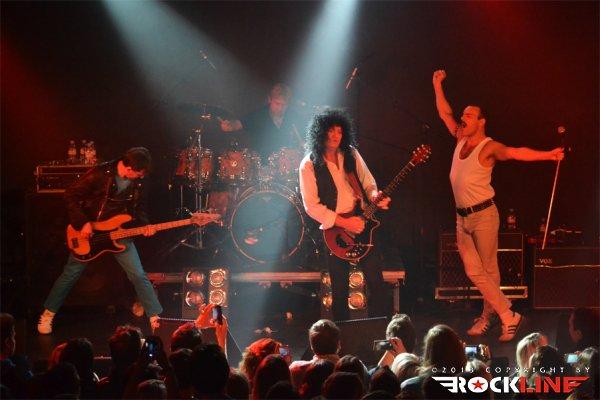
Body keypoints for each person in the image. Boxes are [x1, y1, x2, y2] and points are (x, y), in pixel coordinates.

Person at [432, 70, 564, 341]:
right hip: (462, 218)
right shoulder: (460, 138)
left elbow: (516, 153)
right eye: (463, 114)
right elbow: (445, 113)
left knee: (489, 272)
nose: (463, 118)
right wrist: (437, 85)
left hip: (483, 215)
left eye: (470, 115)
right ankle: (508, 314)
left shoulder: (489, 147)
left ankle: (489, 318)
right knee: (475, 271)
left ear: (482, 121)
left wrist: (548, 155)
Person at [37, 147, 163, 334]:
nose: (141, 177)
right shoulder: (100, 174)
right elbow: (70, 194)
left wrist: (145, 225)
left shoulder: (140, 183)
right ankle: (47, 314)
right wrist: (82, 223)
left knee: (138, 275)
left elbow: (140, 209)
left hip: (119, 232)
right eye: (139, 173)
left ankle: (156, 319)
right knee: (70, 274)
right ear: (129, 168)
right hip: (89, 234)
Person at [299, 109, 391, 322]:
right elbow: (311, 206)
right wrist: (344, 223)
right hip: (335, 231)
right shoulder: (309, 164)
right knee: (339, 290)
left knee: (376, 283)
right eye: (331, 130)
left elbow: (368, 183)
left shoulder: (350, 153)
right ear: (320, 132)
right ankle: (341, 335)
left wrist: (375, 196)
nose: (335, 136)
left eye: (339, 131)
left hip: (362, 223)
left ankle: (379, 330)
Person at [219, 83, 304, 159]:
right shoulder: (258, 115)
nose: (280, 108)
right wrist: (229, 126)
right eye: (277, 103)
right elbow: (239, 123)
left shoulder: (294, 116)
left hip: (288, 165)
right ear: (270, 100)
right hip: (263, 165)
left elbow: (303, 138)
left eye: (284, 105)